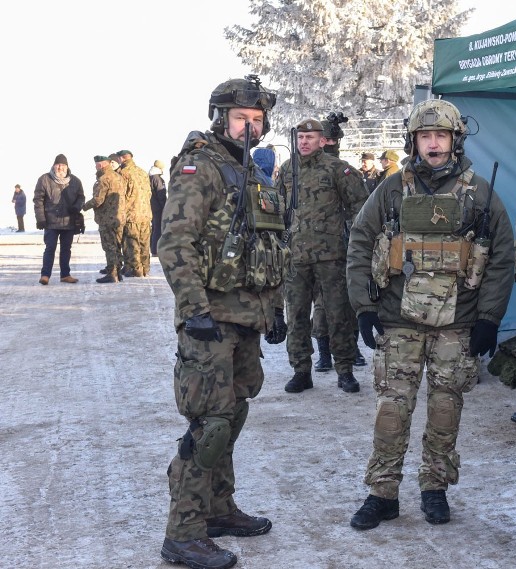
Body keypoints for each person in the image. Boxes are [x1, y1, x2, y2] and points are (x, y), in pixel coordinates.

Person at [347, 99, 514, 530]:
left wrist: (489, 319)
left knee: (445, 407)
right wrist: (364, 308)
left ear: (455, 140)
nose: (433, 144)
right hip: (398, 318)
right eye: (425, 136)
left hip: (457, 323)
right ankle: (382, 493)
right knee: (391, 410)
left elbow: (501, 258)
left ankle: (434, 488)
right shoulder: (391, 189)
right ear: (414, 141)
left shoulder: (479, 192)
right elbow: (360, 243)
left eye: (441, 136)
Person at [157, 75, 288, 569]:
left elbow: (267, 249)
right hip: (209, 319)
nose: (250, 127)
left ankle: (218, 509)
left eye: (257, 120)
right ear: (221, 119)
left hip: (244, 319)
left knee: (231, 415)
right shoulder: (199, 169)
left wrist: (271, 311)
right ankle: (182, 533)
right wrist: (194, 310)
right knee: (208, 425)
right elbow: (175, 244)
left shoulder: (250, 173)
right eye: (240, 119)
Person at [278, 118, 369, 394]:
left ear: (321, 140)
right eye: (300, 138)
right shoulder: (286, 170)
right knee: (296, 316)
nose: (304, 142)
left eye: (310, 137)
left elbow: (360, 206)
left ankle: (344, 370)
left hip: (331, 256)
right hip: (296, 257)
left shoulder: (337, 169)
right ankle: (301, 370)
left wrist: (354, 240)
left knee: (338, 314)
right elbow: (279, 210)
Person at [33, 154, 85, 285]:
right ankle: (45, 275)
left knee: (66, 249)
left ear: (67, 167)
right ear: (54, 165)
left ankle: (65, 275)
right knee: (50, 248)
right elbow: (38, 200)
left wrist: (77, 207)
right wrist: (40, 218)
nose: (60, 167)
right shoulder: (44, 179)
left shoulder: (75, 181)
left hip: (69, 221)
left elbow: (81, 197)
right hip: (50, 221)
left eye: (63, 165)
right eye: (58, 164)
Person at [82, 155, 126, 283]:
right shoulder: (118, 177)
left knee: (109, 247)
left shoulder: (103, 179)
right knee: (117, 245)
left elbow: (98, 200)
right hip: (119, 217)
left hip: (107, 218)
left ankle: (112, 274)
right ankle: (118, 272)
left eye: (96, 165)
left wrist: (84, 206)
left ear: (101, 165)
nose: (95, 168)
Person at [117, 149, 153, 277]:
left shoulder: (122, 173)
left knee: (132, 243)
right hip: (145, 214)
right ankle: (145, 268)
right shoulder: (143, 172)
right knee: (144, 243)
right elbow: (149, 192)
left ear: (121, 158)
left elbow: (120, 196)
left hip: (131, 214)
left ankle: (135, 269)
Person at [149, 159, 167, 256]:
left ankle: (153, 248)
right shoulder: (157, 178)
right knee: (158, 228)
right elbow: (161, 194)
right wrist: (165, 206)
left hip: (152, 206)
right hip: (158, 208)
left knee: (154, 228)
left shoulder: (150, 177)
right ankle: (155, 250)